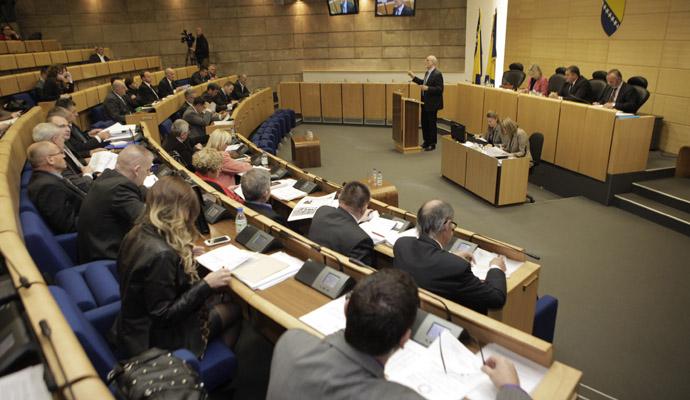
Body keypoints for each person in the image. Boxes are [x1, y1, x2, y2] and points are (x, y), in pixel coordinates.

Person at [115, 175, 241, 358]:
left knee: (216, 297)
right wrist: (206, 284)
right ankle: (207, 367)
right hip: (158, 339)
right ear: (179, 211)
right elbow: (164, 315)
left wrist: (182, 254)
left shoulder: (138, 230)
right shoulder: (162, 255)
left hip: (134, 325)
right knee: (234, 308)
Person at [393, 200, 507, 314]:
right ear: (447, 225)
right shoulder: (457, 267)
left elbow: (428, 261)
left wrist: (450, 257)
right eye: (452, 223)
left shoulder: (402, 245)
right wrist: (496, 268)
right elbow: (496, 299)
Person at [77, 144, 153, 262]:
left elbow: (139, 190)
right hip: (108, 256)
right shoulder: (120, 189)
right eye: (148, 170)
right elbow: (147, 219)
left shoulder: (108, 176)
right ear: (137, 170)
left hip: (97, 247)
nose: (148, 174)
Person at [308, 181, 375, 266]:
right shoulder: (362, 240)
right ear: (364, 208)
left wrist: (357, 220)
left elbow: (342, 227)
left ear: (339, 198)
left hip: (314, 263)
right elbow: (362, 274)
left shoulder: (322, 211)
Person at [26, 141, 85, 234]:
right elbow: (69, 226)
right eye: (60, 153)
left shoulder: (49, 178)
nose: (64, 156)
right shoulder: (47, 187)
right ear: (50, 160)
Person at [32, 122, 93, 192]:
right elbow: (81, 186)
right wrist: (88, 174)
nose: (64, 140)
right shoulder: (55, 161)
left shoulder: (49, 156)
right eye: (62, 138)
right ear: (55, 140)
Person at [408, 55, 443, 151]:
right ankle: (426, 141)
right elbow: (423, 83)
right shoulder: (427, 73)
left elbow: (440, 89)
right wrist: (413, 77)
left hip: (432, 103)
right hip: (424, 102)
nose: (425, 61)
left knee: (431, 123)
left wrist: (428, 88)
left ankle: (432, 143)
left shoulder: (437, 74)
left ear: (433, 62)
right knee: (424, 123)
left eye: (427, 60)